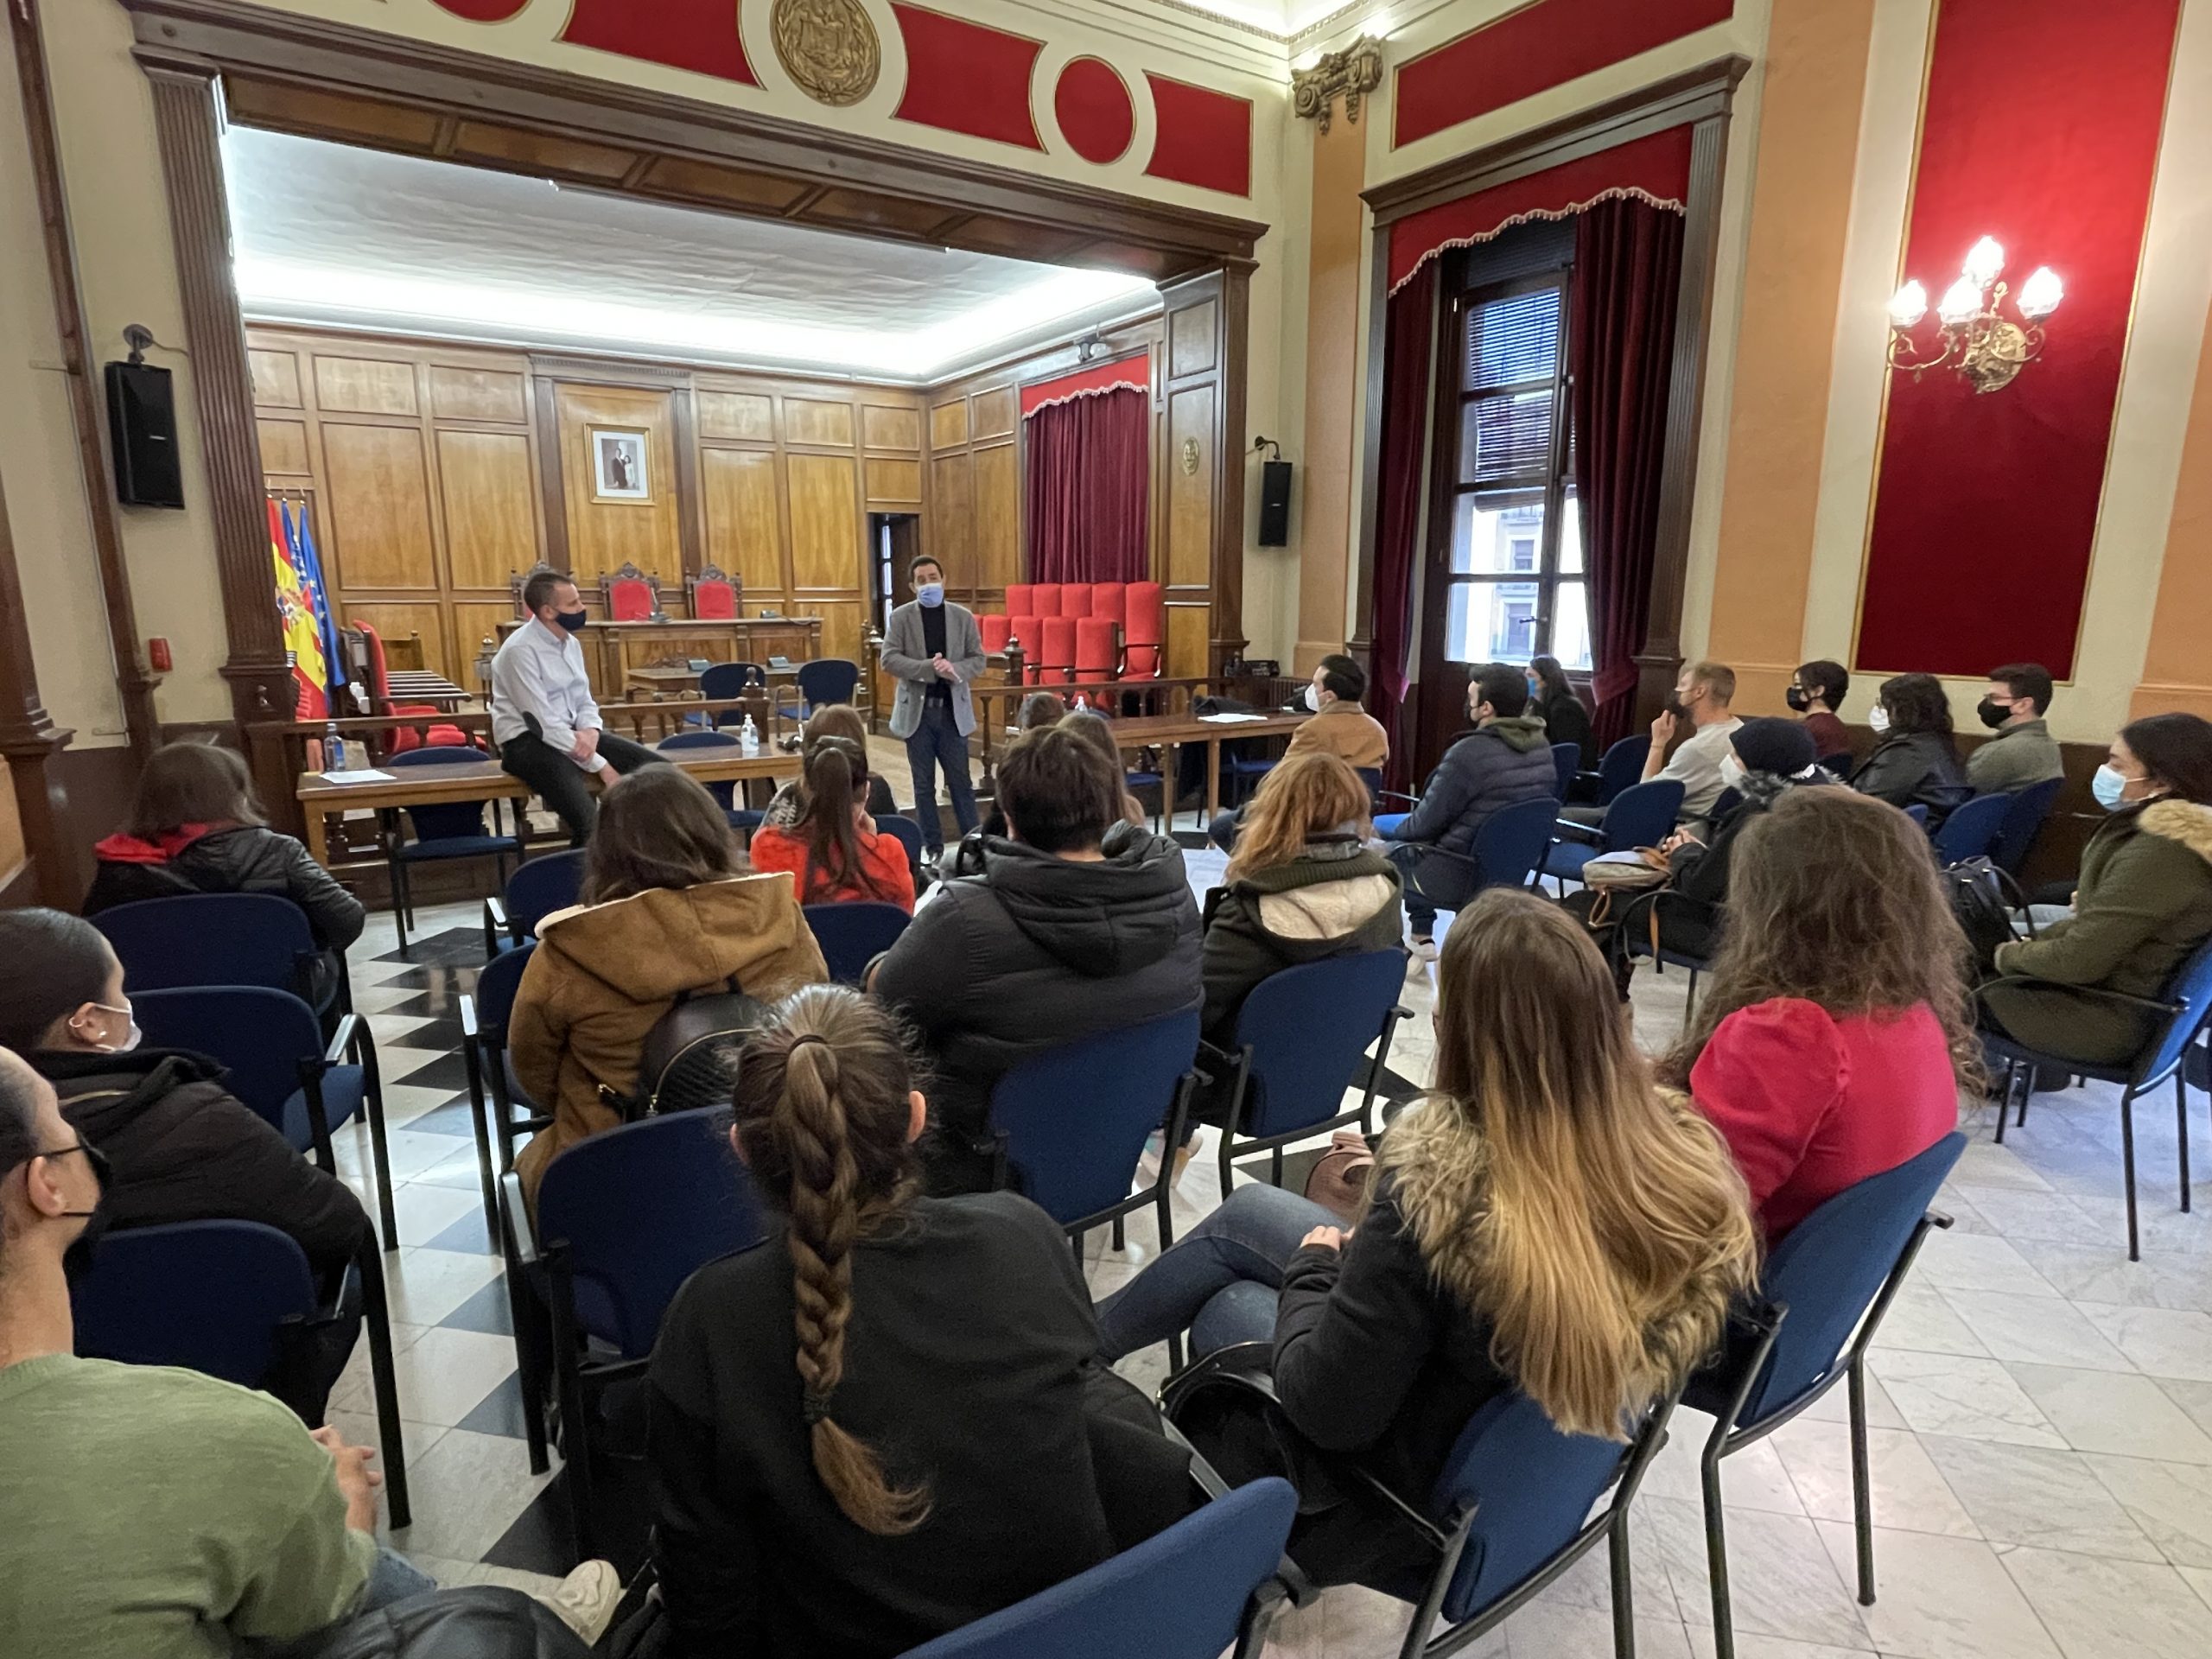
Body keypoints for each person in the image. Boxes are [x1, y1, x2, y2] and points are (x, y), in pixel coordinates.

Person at [1094, 891, 1755, 1586]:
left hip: (1408, 1499)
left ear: (1459, 1029)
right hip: (1525, 1453)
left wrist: (1317, 1269)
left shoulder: (1437, 1192)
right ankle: (1083, 1350)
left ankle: (1111, 1403)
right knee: (1251, 1211)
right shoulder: (1665, 1162)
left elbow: (1329, 1411)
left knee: (1227, 1308)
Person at [646, 988, 1193, 1657]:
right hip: (1069, 1639)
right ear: (914, 1117)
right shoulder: (1023, 1235)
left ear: (742, 1147)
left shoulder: (708, 1321)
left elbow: (709, 1609)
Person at [0, 1046, 422, 1654]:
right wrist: (344, 1510)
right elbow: (321, 1606)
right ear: (47, 1185)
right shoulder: (231, 1431)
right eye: (63, 1121)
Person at [871, 725, 1201, 1193]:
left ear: (1008, 818)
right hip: (1114, 1143)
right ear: (1108, 806)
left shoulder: (965, 918)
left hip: (982, 1173)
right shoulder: (1176, 900)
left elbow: (882, 1014)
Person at [1659, 789, 1971, 1239]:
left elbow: (1686, 1213)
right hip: (1813, 1273)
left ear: (1778, 911)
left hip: (1731, 1268)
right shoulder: (1917, 1016)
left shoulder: (1792, 1034)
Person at [0, 910, 368, 1286]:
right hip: (232, 1314)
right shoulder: (200, 1121)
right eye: (120, 990)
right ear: (90, 1022)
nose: (127, 1002)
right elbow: (339, 1226)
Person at [511, 766, 826, 1199]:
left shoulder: (569, 950)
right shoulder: (780, 915)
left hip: (612, 1171)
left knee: (533, 1179)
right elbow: (814, 1016)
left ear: (605, 851)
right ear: (713, 833)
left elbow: (533, 1072)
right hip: (769, 1167)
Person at [1981, 713, 2212, 1066]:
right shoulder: (2181, 841)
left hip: (2102, 1017)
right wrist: (2024, 947)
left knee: (1930, 987)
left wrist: (2004, 955)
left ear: (2162, 781)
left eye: (2117, 765)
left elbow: (2077, 961)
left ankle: (1981, 1082)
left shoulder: (2166, 851)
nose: (2105, 771)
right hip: (2120, 1003)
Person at [82, 741, 362, 1008]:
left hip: (159, 1011)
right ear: (234, 795)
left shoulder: (120, 864)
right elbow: (347, 921)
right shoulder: (277, 851)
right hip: (277, 1001)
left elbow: (92, 946)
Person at [1199, 752, 1402, 1054]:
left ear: (1270, 817)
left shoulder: (1248, 914)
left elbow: (1195, 1013)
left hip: (1237, 1073)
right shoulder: (1386, 889)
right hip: (1335, 1061)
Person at [1374, 662, 1554, 962]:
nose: (1467, 705)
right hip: (1510, 868)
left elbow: (1421, 826)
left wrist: (1388, 834)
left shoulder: (1468, 753)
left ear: (1486, 708)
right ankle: (1421, 936)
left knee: (1377, 860)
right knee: (1417, 845)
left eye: (1470, 699)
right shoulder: (1542, 748)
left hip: (1458, 874)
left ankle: (1398, 954)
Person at [492, 569, 664, 845]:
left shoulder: (570, 643)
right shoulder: (519, 651)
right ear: (548, 611)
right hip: (527, 744)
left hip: (575, 735)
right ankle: (582, 873)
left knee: (662, 773)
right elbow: (542, 724)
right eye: (573, 604)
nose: (582, 608)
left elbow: (584, 699)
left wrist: (591, 731)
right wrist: (601, 765)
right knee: (588, 823)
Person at [880, 556, 984, 862]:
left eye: (933, 577)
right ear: (913, 586)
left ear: (944, 579)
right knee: (923, 785)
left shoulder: (962, 617)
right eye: (922, 580)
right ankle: (934, 848)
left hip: (953, 712)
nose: (929, 584)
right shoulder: (901, 617)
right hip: (918, 713)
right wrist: (928, 668)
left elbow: (978, 659)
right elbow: (889, 659)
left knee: (961, 783)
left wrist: (955, 669)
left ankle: (974, 845)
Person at [748, 738, 915, 913]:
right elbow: (904, 921)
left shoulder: (768, 846)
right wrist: (872, 843)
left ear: (803, 788)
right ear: (866, 791)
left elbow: (765, 920)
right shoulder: (891, 853)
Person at [1849, 672, 1970, 827]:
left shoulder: (1907, 751)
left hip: (1898, 833)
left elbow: (1868, 806)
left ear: (1904, 710)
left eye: (1884, 705)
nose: (1880, 710)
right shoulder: (1936, 742)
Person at [1637, 659, 1744, 825]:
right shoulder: (1740, 729)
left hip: (1674, 829)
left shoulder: (1698, 749)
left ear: (1699, 692)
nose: (1677, 690)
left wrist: (1658, 743)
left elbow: (1645, 795)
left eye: (1683, 685)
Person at [758, 705, 896, 832]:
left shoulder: (789, 796)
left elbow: (762, 843)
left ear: (808, 751)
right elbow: (899, 837)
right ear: (859, 747)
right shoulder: (878, 788)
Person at [1967, 663, 2065, 793]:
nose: (1986, 704)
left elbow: (1961, 798)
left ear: (2023, 705)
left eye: (1994, 697)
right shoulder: (2050, 746)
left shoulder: (1997, 752)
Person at [1286, 654, 1390, 772]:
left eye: (1315, 685)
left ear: (1329, 696)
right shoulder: (1377, 730)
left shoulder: (1311, 731)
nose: (1311, 690)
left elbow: (1287, 775)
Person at [1527, 654, 1594, 767]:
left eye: (1530, 676)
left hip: (1572, 771)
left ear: (1546, 681)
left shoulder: (1564, 709)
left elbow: (1568, 752)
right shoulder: (1540, 704)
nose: (1525, 681)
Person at [1788, 660, 1852, 760]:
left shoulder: (1813, 728)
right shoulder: (1832, 724)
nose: (1792, 689)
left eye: (1797, 685)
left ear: (1818, 691)